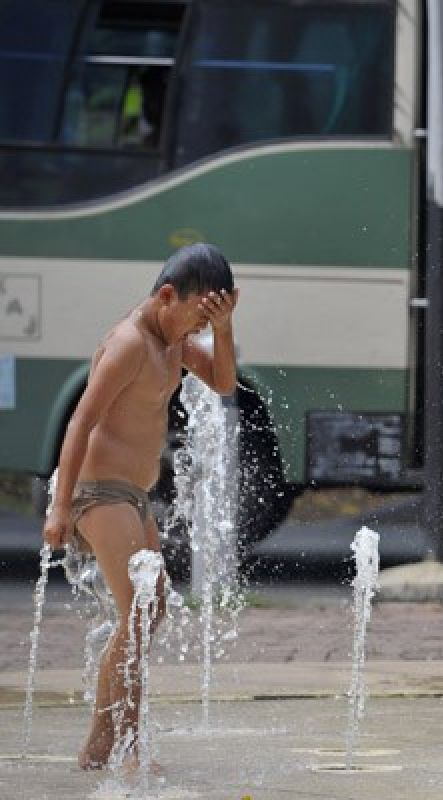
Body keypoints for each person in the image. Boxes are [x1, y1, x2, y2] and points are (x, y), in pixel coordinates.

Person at [42, 243, 239, 771]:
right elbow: (82, 420)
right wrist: (60, 508)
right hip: (96, 491)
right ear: (167, 296)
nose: (195, 332)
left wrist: (222, 331)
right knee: (137, 613)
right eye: (197, 318)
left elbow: (223, 382)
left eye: (207, 322)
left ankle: (98, 744)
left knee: (151, 612)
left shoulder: (172, 339)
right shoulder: (130, 342)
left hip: (134, 495)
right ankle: (128, 750)